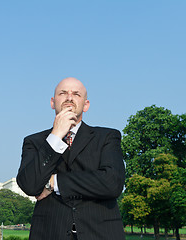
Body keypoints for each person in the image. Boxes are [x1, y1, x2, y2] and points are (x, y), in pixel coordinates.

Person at [16, 77, 125, 240]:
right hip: (49, 233)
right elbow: (30, 185)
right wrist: (55, 136)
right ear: (53, 102)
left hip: (101, 233)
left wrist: (54, 182)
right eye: (63, 93)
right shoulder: (34, 142)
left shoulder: (107, 137)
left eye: (76, 94)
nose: (69, 97)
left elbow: (112, 183)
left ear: (86, 105)